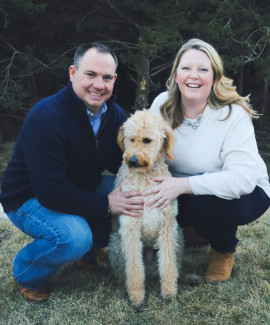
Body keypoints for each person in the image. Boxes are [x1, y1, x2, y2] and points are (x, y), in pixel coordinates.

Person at [0, 42, 144, 302]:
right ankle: (28, 272)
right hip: (29, 197)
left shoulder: (114, 114)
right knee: (74, 237)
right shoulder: (47, 117)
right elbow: (51, 192)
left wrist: (153, 178)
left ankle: (85, 254)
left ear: (114, 80)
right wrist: (107, 203)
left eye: (106, 77)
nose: (99, 85)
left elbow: (119, 160)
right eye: (90, 74)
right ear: (72, 73)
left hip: (78, 186)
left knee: (137, 196)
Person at [143, 38, 270, 284]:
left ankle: (223, 250)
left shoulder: (232, 113)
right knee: (148, 194)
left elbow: (242, 180)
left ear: (214, 76)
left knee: (208, 208)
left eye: (203, 69)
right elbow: (147, 152)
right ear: (176, 74)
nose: (194, 76)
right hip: (183, 189)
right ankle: (192, 231)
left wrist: (180, 186)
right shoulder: (162, 105)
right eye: (186, 68)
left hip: (244, 192)